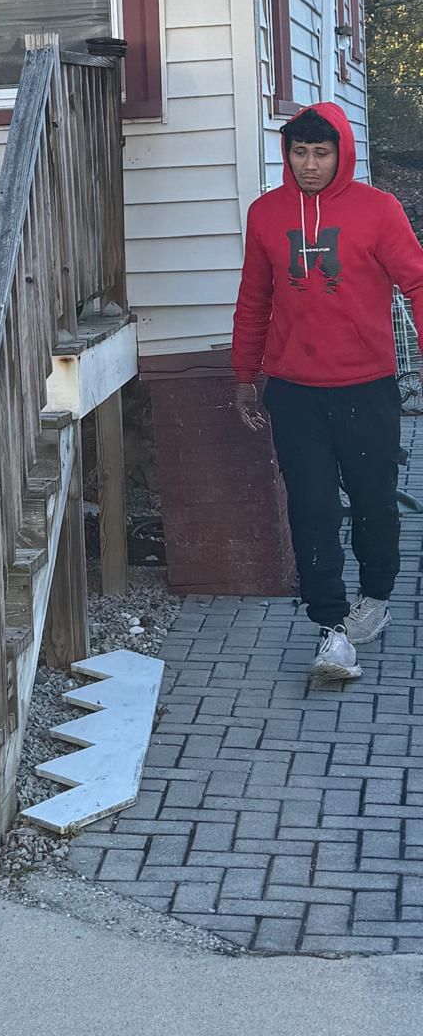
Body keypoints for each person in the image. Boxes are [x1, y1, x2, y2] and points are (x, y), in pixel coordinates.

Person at [232, 102, 423, 681]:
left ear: (342, 152)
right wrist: (245, 375)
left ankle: (376, 595)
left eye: (321, 152)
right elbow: (255, 298)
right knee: (311, 508)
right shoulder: (266, 214)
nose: (309, 165)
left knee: (373, 502)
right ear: (286, 154)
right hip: (295, 391)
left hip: (367, 388)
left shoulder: (378, 211)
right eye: (299, 152)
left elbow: (417, 283)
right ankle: (331, 628)